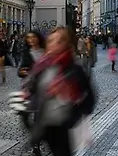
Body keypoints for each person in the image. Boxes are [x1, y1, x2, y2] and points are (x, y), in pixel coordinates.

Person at [19, 27, 96, 156]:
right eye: (50, 41)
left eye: (58, 41)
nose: (53, 44)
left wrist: (73, 116)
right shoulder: (43, 65)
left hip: (64, 128)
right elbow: (33, 89)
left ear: (66, 44)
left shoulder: (75, 68)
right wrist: (26, 97)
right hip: (45, 125)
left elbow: (90, 98)